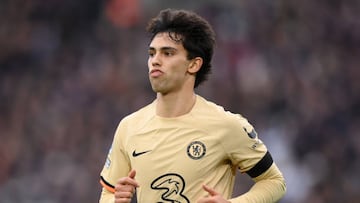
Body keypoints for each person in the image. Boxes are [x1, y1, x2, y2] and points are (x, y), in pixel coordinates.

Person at [99, 8, 286, 203]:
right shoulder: (129, 128)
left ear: (194, 64)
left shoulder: (226, 125)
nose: (155, 61)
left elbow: (274, 181)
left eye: (167, 53)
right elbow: (108, 193)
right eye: (152, 53)